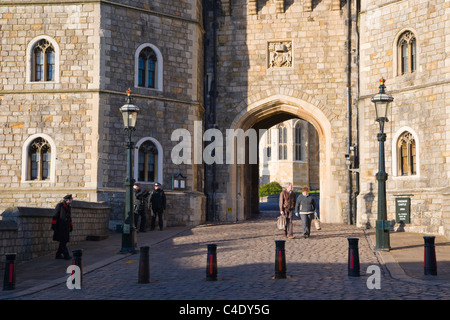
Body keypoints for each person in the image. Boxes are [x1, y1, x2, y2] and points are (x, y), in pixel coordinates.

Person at [51, 194, 73, 260]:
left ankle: (58, 255)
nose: (72, 200)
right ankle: (66, 255)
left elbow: (69, 217)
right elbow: (55, 216)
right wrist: (54, 225)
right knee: (63, 241)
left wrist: (71, 225)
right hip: (60, 227)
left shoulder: (68, 207)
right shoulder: (60, 206)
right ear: (67, 200)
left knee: (63, 241)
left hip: (66, 227)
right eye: (71, 199)